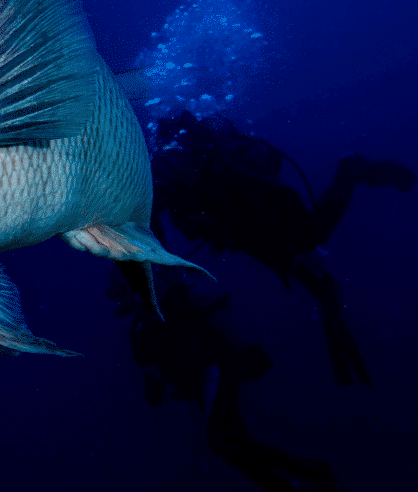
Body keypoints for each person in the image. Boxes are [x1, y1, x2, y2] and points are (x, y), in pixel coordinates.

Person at [149, 110, 414, 386]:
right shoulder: (169, 181)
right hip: (240, 227)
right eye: (164, 159)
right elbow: (150, 216)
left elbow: (280, 198)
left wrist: (301, 244)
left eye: (173, 155)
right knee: (307, 270)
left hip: (262, 209)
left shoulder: (225, 168)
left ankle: (350, 171)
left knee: (312, 238)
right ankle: (328, 305)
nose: (168, 162)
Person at [109, 266, 340, 492]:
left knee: (225, 444)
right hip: (207, 377)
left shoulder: (151, 317)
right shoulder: (148, 319)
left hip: (212, 372)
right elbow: (157, 379)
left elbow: (158, 379)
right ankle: (309, 473)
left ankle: (308, 474)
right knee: (235, 445)